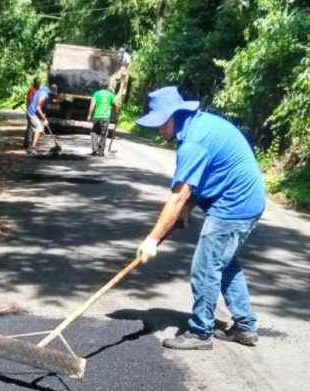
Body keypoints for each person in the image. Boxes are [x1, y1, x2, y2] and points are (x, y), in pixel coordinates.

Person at [136, 86, 266, 350]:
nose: (158, 130)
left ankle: (200, 332)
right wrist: (187, 211)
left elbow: (178, 196)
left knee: (205, 266)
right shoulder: (198, 126)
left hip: (234, 207)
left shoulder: (193, 142)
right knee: (224, 263)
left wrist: (152, 239)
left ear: (175, 115)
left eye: (161, 123)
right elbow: (203, 181)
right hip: (246, 202)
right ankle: (245, 326)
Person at [27, 84, 57, 156]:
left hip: (36, 113)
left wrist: (43, 120)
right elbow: (38, 107)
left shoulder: (46, 92)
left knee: (41, 130)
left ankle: (31, 147)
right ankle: (32, 149)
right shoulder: (44, 95)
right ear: (51, 92)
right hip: (33, 113)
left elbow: (44, 109)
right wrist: (44, 119)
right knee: (39, 129)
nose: (54, 96)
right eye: (53, 94)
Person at [87, 83, 116, 156]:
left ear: (100, 87)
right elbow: (115, 105)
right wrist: (116, 113)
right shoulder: (110, 95)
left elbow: (92, 105)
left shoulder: (96, 94)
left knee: (94, 132)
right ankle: (101, 151)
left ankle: (94, 149)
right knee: (104, 134)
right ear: (107, 87)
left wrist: (89, 115)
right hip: (106, 117)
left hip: (97, 116)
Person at [23, 77, 41, 148]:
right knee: (34, 127)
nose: (39, 84)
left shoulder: (37, 90)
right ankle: (29, 143)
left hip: (34, 112)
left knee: (30, 126)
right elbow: (29, 100)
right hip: (31, 112)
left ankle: (27, 143)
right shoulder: (32, 90)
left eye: (39, 83)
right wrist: (28, 109)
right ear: (35, 83)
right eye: (38, 83)